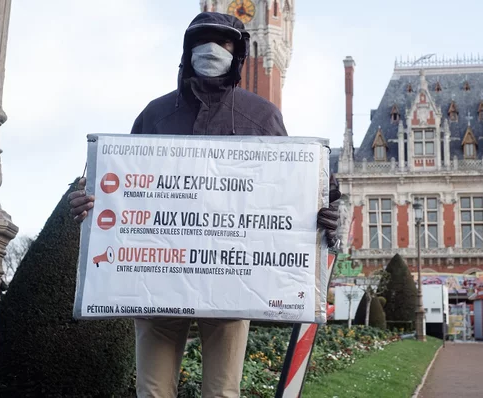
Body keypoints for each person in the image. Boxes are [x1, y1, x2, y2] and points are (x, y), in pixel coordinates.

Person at [67, 11, 341, 398]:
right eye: (203, 40)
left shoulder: (262, 116)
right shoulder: (156, 113)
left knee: (223, 392)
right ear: (187, 49)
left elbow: (296, 190)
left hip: (232, 278)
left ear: (240, 53)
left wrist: (327, 214)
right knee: (153, 390)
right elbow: (117, 184)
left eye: (225, 42)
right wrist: (87, 204)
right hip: (156, 277)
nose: (213, 49)